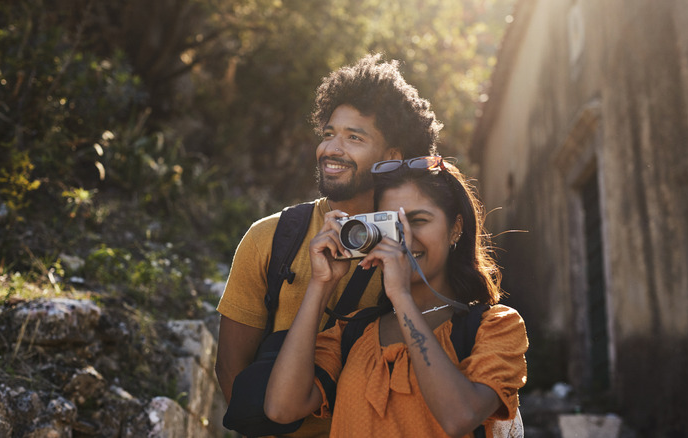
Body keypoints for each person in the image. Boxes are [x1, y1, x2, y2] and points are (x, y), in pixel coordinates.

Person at [215, 53, 443, 437]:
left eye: (354, 137)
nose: (331, 149)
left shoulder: (417, 245)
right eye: (328, 134)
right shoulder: (269, 238)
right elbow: (230, 367)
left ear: (392, 157)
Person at [264, 156, 528, 437]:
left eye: (418, 220)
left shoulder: (497, 326)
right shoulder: (353, 332)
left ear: (456, 228)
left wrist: (401, 296)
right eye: (392, 225)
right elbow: (281, 408)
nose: (404, 239)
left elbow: (459, 417)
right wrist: (321, 283)